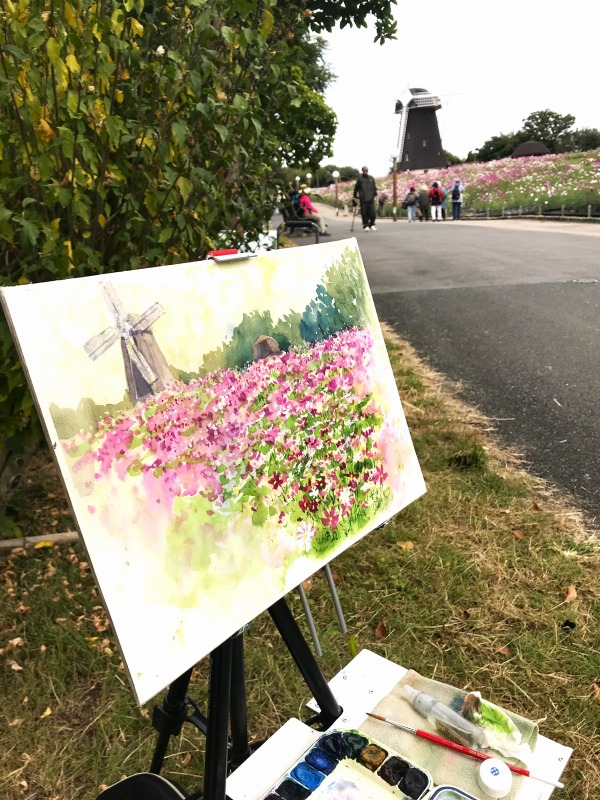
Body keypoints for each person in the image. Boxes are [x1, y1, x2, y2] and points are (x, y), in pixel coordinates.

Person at [353, 166, 378, 231]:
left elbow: (374, 187)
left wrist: (375, 194)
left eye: (366, 170)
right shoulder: (360, 179)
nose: (366, 171)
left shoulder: (371, 178)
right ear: (362, 171)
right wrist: (355, 196)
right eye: (364, 170)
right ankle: (365, 225)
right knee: (364, 213)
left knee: (373, 213)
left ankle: (372, 224)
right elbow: (356, 188)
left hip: (371, 198)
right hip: (363, 199)